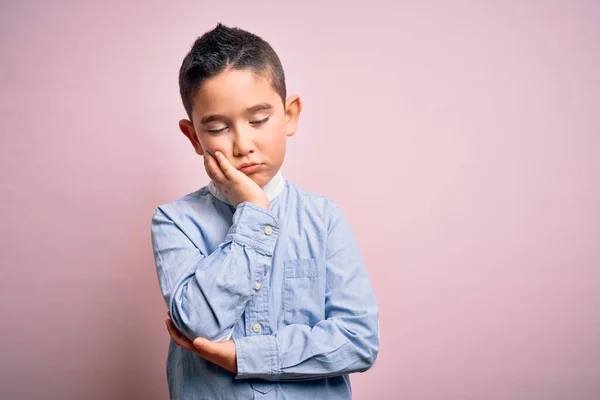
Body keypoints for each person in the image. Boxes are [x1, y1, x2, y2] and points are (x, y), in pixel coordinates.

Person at [150, 22, 380, 400]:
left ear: (289, 115)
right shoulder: (175, 222)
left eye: (258, 120)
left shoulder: (323, 220)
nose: (243, 144)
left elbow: (358, 339)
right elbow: (199, 326)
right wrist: (254, 210)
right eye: (219, 128)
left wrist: (246, 356)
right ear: (194, 137)